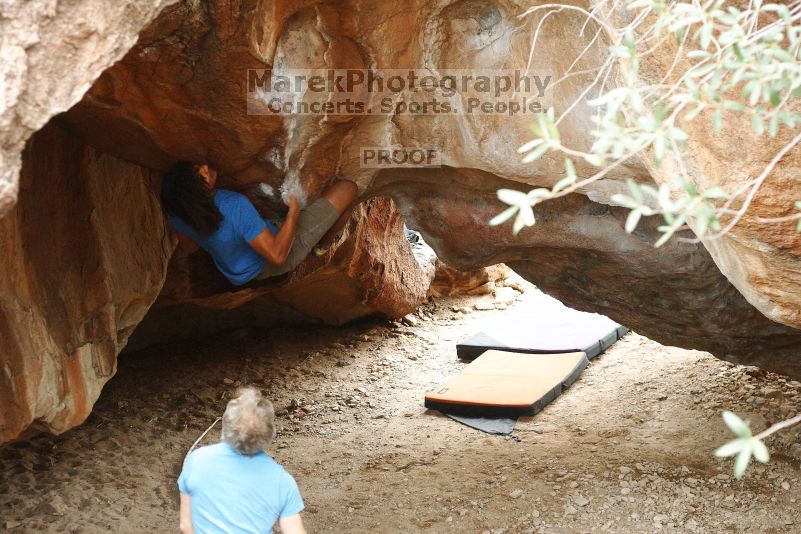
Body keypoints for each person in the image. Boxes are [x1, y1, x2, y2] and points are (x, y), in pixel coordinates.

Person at [161, 161, 358, 285]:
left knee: (345, 210)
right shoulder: (233, 205)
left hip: (236, 271)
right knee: (348, 189)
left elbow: (191, 247)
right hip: (274, 256)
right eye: (199, 173)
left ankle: (321, 240)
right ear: (199, 190)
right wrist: (293, 212)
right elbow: (277, 255)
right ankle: (321, 248)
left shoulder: (178, 212)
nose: (204, 167)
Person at [178, 387, 306, 534]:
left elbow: (186, 527)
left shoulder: (197, 460)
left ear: (226, 425)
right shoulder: (282, 481)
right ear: (270, 433)